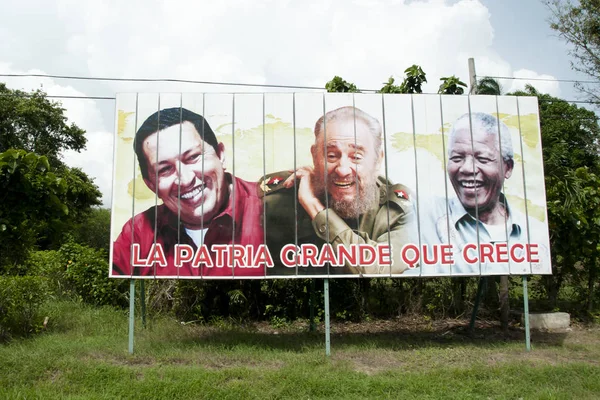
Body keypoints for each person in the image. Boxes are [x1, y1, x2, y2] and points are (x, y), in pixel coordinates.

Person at [261, 106, 416, 275]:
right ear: (314, 156)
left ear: (377, 160)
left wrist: (315, 208)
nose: (342, 170)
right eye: (332, 156)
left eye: (355, 157)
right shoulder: (276, 199)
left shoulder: (401, 211)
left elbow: (374, 269)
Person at [111, 107, 265, 277]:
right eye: (164, 169)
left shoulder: (275, 208)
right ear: (151, 185)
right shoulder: (139, 233)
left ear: (220, 155)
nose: (185, 179)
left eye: (193, 157)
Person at [420, 112, 549, 274]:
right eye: (457, 157)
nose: (467, 168)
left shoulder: (533, 232)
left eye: (483, 159)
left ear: (507, 167)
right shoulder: (425, 216)